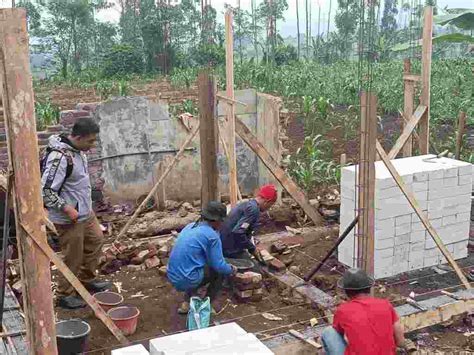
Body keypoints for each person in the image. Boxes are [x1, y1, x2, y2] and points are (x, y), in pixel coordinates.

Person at [41, 117, 110, 309]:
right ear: (78, 137)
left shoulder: (79, 151)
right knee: (73, 256)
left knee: (96, 241)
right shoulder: (59, 158)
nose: (93, 144)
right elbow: (45, 191)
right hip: (68, 217)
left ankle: (86, 280)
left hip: (85, 213)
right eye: (90, 141)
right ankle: (65, 295)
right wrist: (66, 207)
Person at [167, 201, 238, 314]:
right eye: (221, 221)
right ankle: (207, 305)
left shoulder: (190, 226)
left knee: (195, 265)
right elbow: (219, 266)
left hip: (173, 276)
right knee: (219, 272)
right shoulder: (211, 236)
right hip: (187, 280)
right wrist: (232, 269)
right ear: (216, 220)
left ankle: (186, 303)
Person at [321, 268, 405, 355]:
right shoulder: (385, 304)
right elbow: (400, 340)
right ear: (369, 287)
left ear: (346, 291)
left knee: (329, 332)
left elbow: (340, 333)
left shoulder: (343, 311)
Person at [219, 184, 277, 264]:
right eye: (270, 205)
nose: (269, 208)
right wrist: (252, 248)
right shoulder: (253, 209)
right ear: (267, 201)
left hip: (223, 244)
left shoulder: (247, 204)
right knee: (255, 268)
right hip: (229, 249)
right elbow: (238, 232)